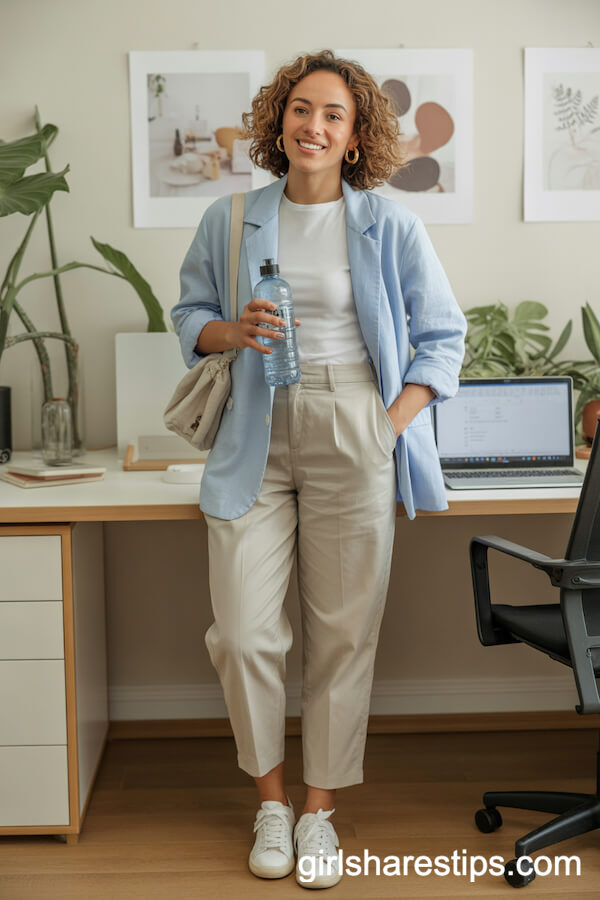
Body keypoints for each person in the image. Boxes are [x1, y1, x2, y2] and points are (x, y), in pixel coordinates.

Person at [171, 49, 467, 890]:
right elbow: (189, 315)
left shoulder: (390, 225)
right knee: (242, 634)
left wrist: (385, 428)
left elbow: (443, 339)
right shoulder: (231, 218)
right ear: (280, 121)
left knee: (343, 635)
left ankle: (319, 814)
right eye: (302, 108)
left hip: (354, 423)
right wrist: (234, 330)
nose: (315, 125)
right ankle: (270, 804)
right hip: (254, 428)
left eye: (334, 114)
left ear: (355, 136)